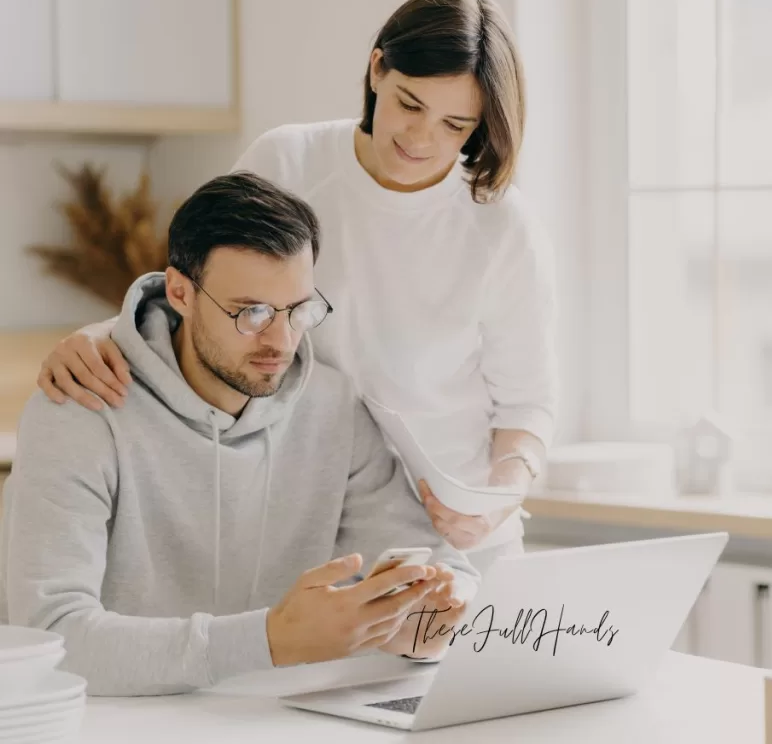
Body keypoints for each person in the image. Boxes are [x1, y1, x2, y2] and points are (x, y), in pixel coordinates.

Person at [34, 0, 558, 575]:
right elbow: (203, 291)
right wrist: (101, 338)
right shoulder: (289, 162)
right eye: (410, 104)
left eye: (455, 125)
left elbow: (527, 404)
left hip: (458, 545)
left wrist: (498, 497)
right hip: (309, 531)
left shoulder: (501, 225)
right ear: (378, 68)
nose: (421, 139)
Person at [0, 172, 479, 697]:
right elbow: (52, 638)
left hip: (280, 720)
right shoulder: (81, 407)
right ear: (180, 291)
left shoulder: (333, 406)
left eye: (298, 310)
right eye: (251, 312)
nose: (281, 340)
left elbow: (441, 567)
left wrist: (426, 628)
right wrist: (269, 642)